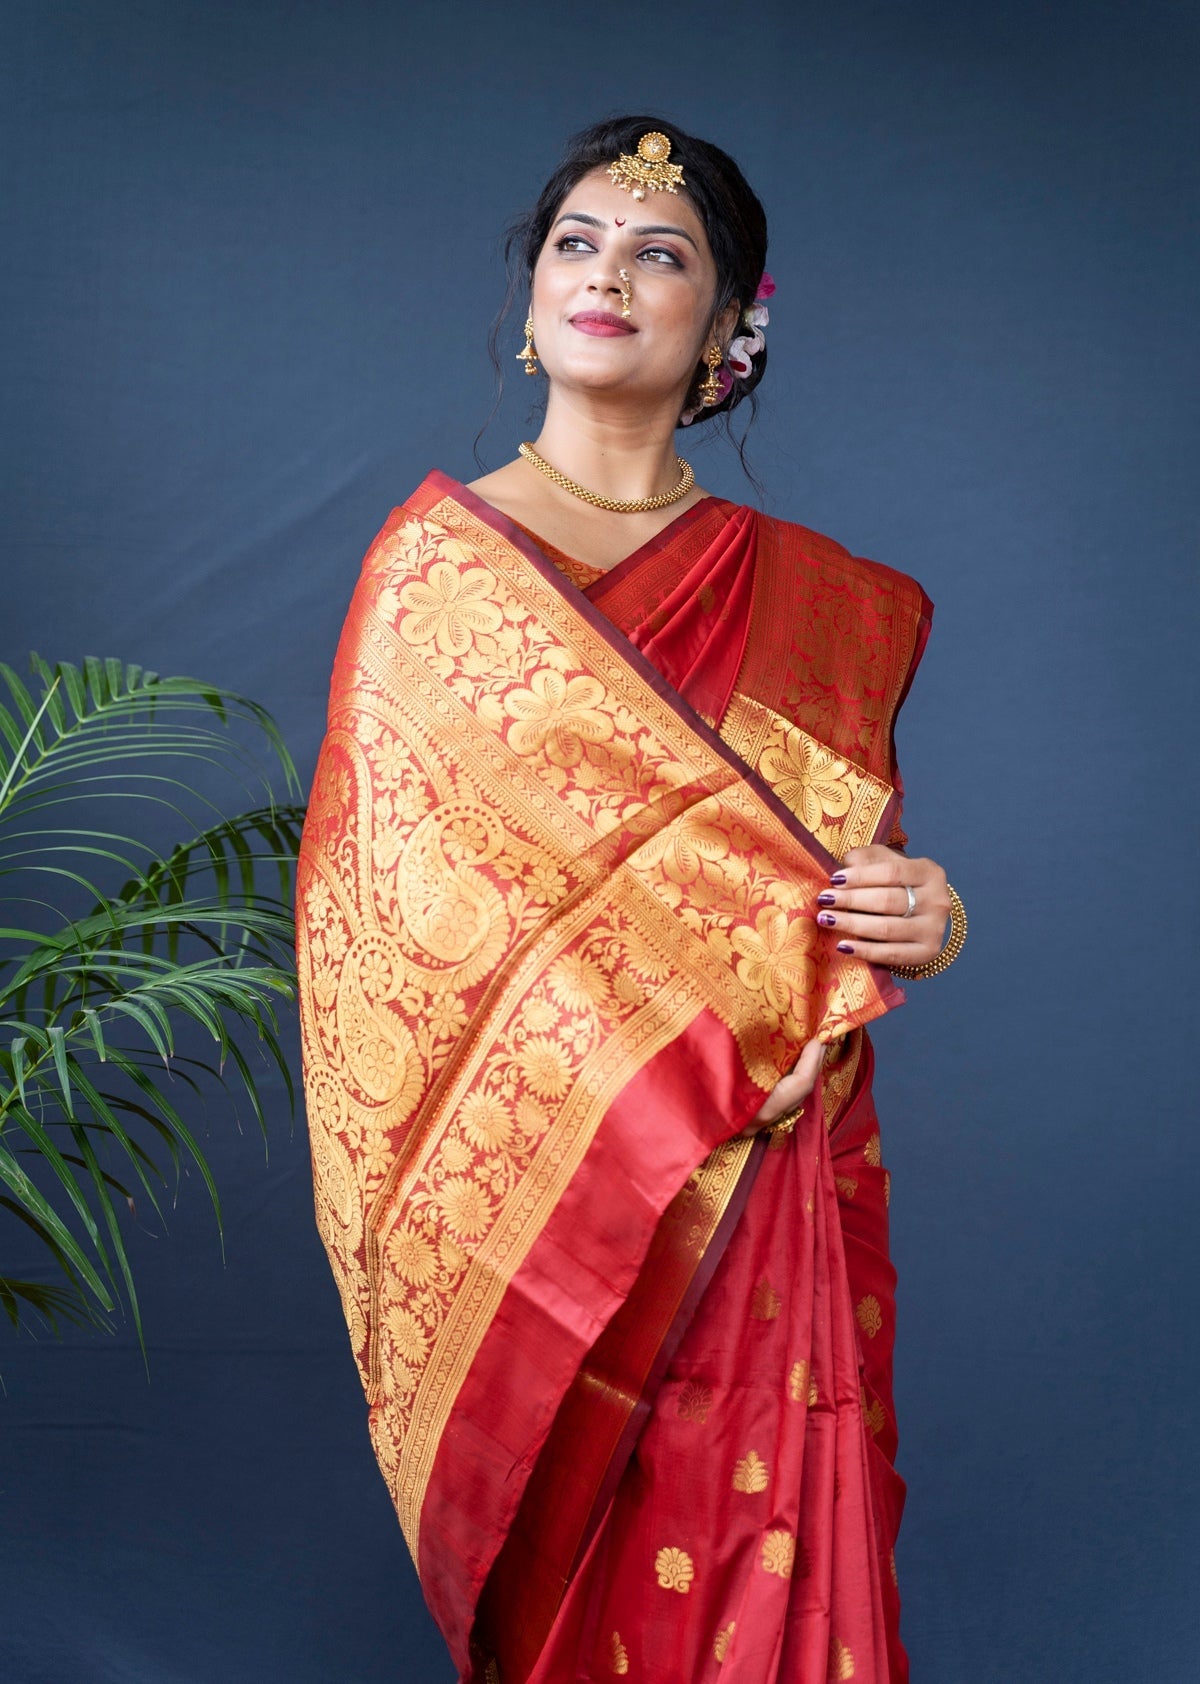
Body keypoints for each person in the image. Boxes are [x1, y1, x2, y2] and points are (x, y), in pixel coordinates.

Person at [295, 114, 966, 1684]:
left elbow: (828, 886)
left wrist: (926, 918)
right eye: (576, 245)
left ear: (731, 329)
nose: (608, 274)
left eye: (661, 254)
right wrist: (681, 1059)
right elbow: (384, 934)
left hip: (764, 1189)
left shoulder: (816, 598)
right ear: (530, 302)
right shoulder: (436, 574)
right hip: (565, 1208)